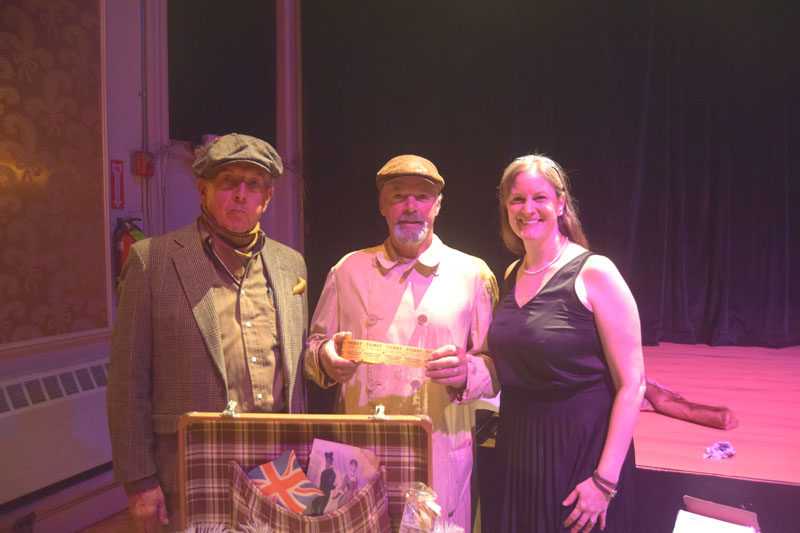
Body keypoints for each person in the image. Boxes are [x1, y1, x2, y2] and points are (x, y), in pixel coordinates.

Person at [107, 133, 308, 532]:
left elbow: (296, 366)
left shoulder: (291, 264)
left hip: (277, 462)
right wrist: (139, 482)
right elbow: (127, 381)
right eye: (227, 181)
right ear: (203, 190)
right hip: (189, 466)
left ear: (266, 198)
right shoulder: (153, 261)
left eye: (252, 185)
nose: (240, 194)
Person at [303, 154, 498, 531]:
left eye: (422, 196)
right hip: (360, 447)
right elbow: (313, 350)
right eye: (398, 196)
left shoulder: (472, 273)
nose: (410, 206)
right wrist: (325, 358)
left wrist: (468, 371)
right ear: (382, 205)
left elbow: (496, 365)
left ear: (438, 205)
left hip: (439, 451)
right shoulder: (348, 270)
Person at [487, 155, 645, 532]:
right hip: (519, 450)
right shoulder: (510, 274)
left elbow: (633, 384)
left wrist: (604, 481)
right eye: (516, 200)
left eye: (539, 198)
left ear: (560, 204)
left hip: (579, 456)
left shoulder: (594, 272)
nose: (528, 209)